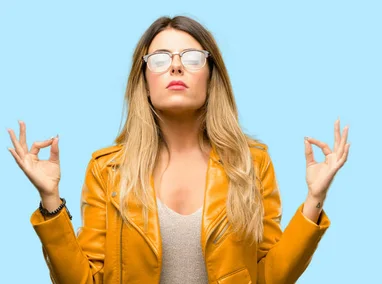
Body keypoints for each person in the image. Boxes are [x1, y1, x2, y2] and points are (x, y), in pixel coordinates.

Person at [7, 15, 350, 284]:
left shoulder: (251, 164)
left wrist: (314, 200)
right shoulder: (107, 170)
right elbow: (81, 281)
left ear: (211, 75)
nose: (175, 66)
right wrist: (50, 200)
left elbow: (269, 278)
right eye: (159, 59)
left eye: (191, 57)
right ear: (143, 81)